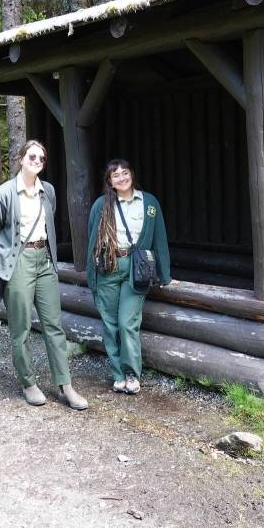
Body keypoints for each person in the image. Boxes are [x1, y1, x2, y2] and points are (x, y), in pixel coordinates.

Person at [0, 140, 88, 410]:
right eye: (32, 156)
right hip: (18, 261)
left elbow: (49, 222)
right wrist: (9, 252)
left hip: (45, 261)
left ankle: (65, 385)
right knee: (21, 328)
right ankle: (28, 383)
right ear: (21, 159)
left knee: (54, 326)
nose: (37, 162)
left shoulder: (48, 191)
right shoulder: (5, 193)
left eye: (42, 159)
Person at [86, 159, 172, 394]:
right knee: (110, 324)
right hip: (107, 266)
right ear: (109, 181)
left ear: (131, 175)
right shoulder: (101, 205)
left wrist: (164, 274)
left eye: (125, 173)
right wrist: (91, 276)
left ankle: (132, 373)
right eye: (116, 175)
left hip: (136, 269)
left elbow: (159, 238)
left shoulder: (149, 203)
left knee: (127, 323)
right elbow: (92, 241)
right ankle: (118, 374)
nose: (122, 178)